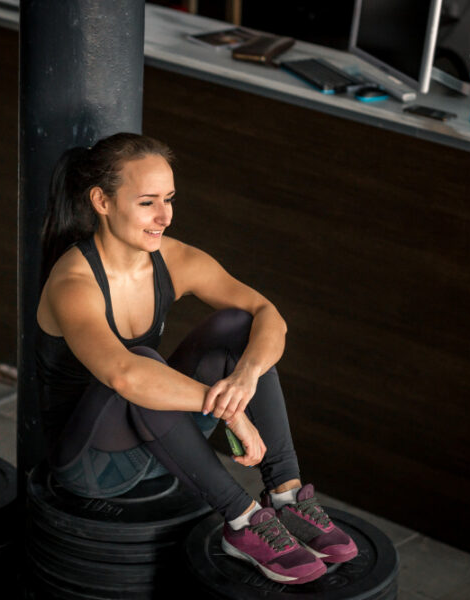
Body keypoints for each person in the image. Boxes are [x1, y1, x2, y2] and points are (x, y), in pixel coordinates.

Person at [35, 132, 357, 584]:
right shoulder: (73, 282)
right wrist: (232, 412)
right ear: (101, 201)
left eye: (168, 199)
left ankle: (286, 496)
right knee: (143, 365)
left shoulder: (173, 259)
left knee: (237, 326)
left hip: (162, 433)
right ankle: (243, 522)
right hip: (93, 464)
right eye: (148, 202)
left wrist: (244, 379)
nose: (164, 216)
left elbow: (269, 315)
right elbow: (126, 375)